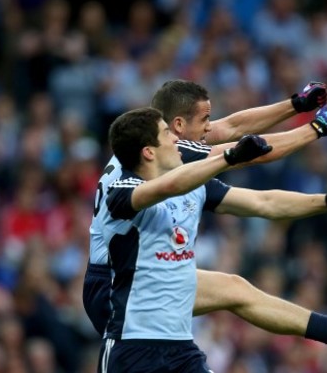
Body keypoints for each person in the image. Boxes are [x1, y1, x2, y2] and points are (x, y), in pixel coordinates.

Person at [84, 80, 327, 365]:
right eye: (205, 120)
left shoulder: (167, 154)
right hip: (118, 286)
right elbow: (247, 150)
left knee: (235, 289)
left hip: (146, 297)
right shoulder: (163, 163)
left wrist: (296, 107)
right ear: (174, 128)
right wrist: (313, 129)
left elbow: (250, 172)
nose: (210, 128)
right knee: (229, 293)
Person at [100, 106, 273, 372]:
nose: (175, 139)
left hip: (180, 346)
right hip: (131, 347)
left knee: (237, 287)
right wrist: (229, 157)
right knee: (236, 289)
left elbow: (265, 201)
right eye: (167, 133)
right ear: (149, 152)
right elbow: (169, 185)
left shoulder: (190, 189)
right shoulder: (122, 191)